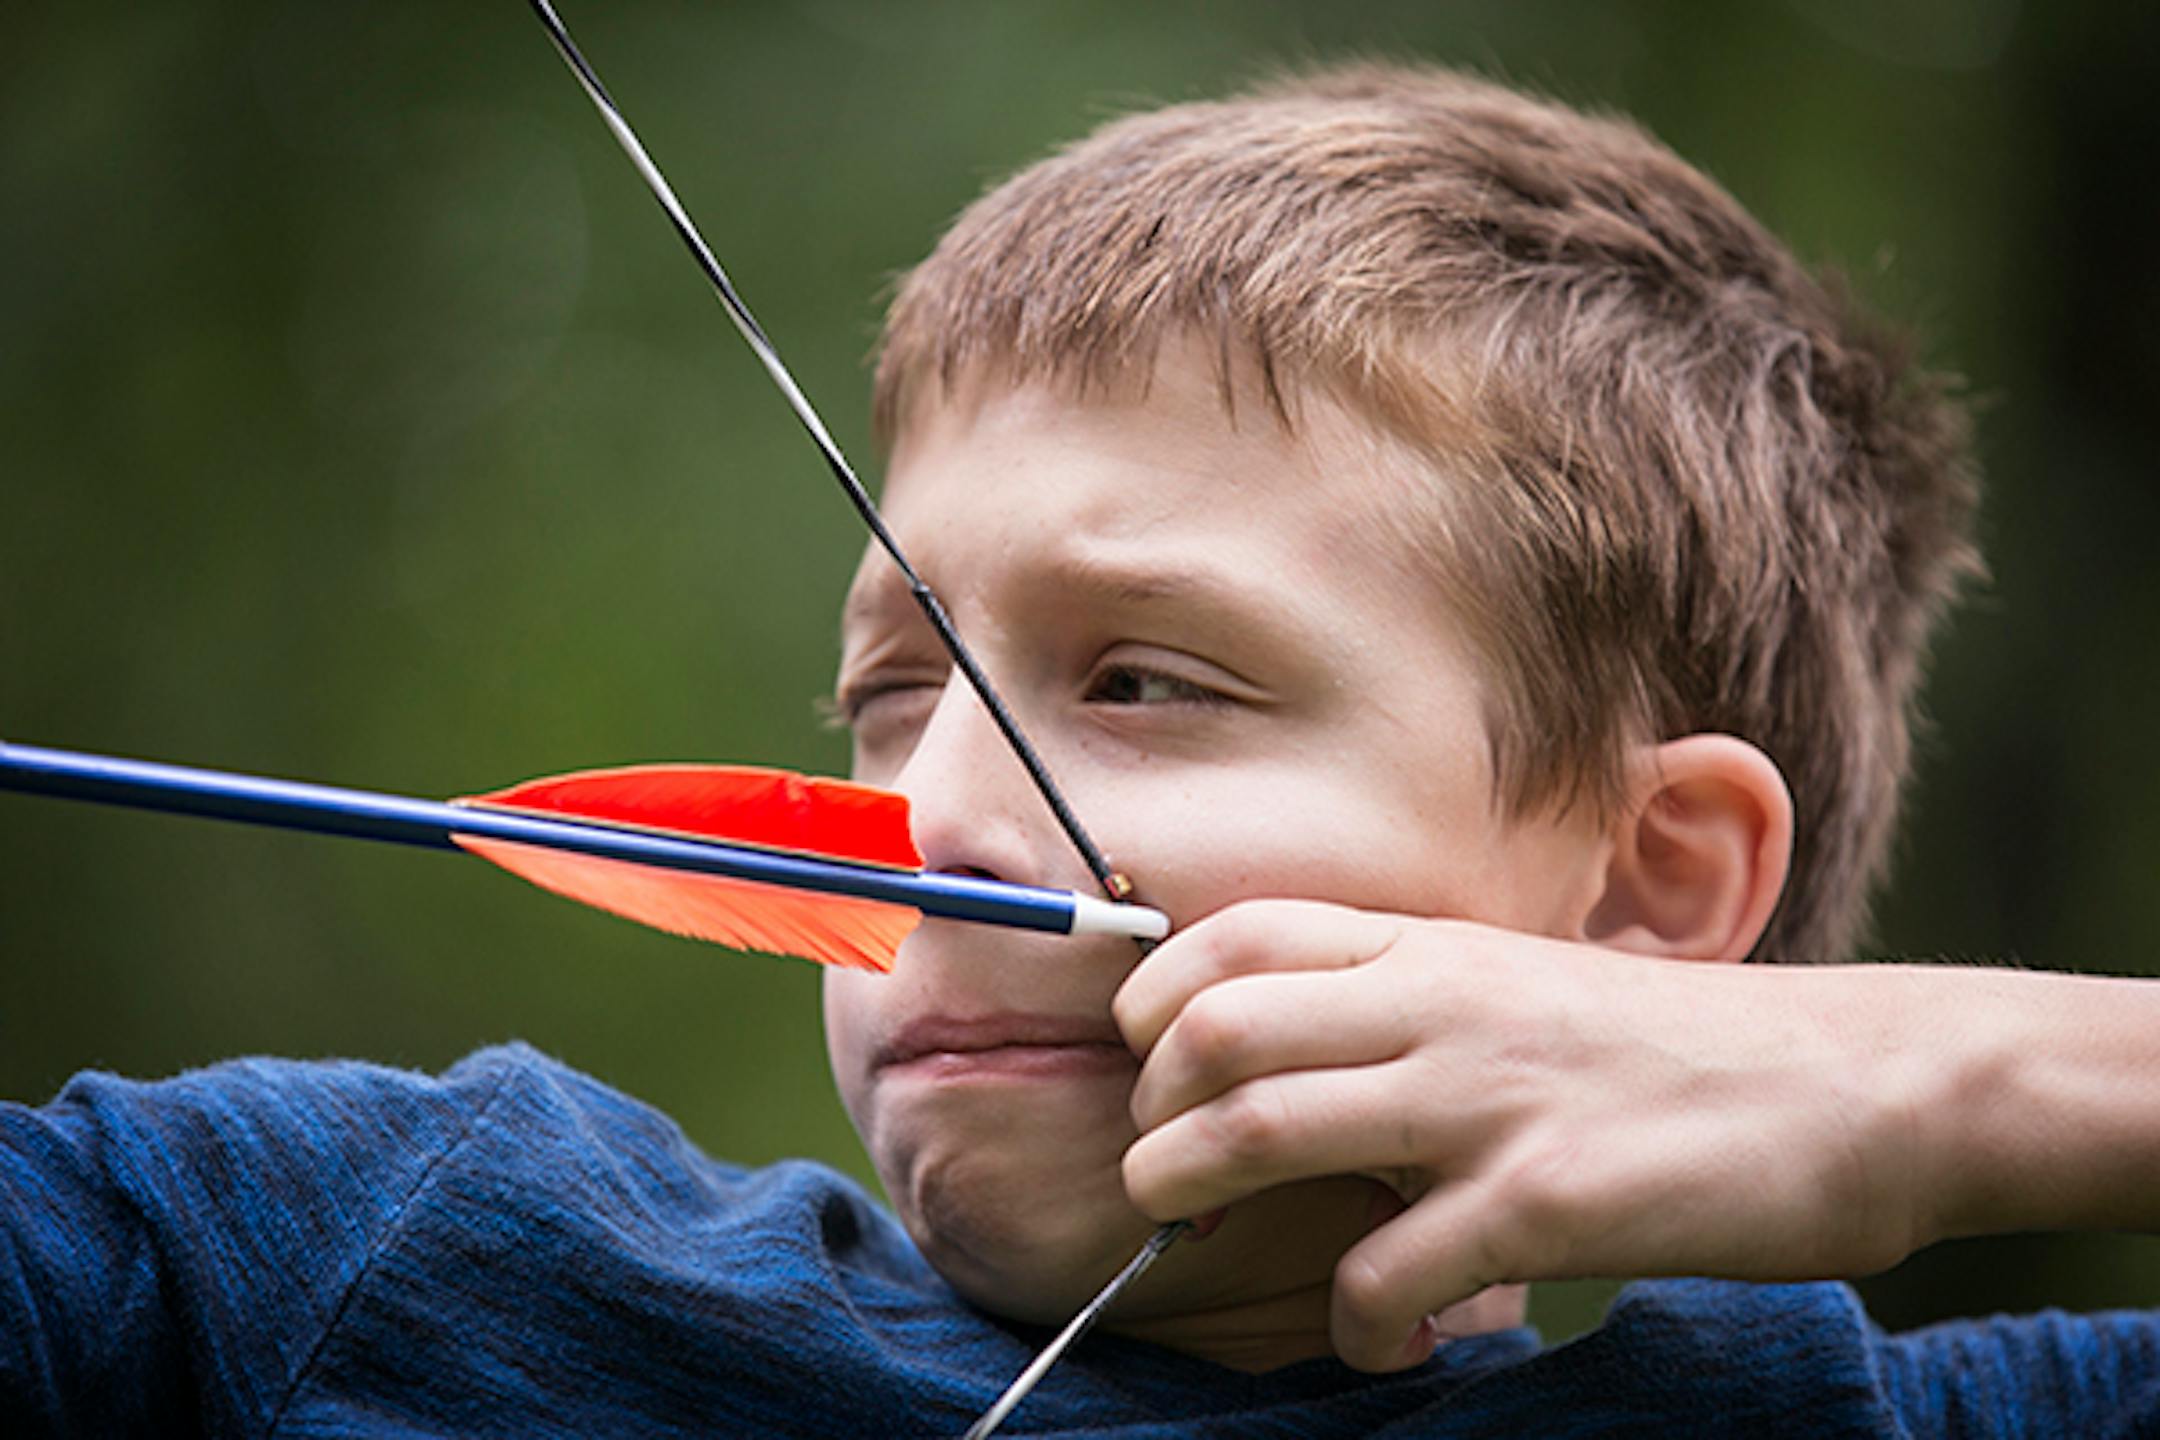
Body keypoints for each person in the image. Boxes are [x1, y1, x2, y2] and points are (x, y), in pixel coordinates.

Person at [5, 63, 2157, 1438]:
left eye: (1145, 680)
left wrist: (1933, 1085)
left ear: (1653, 886)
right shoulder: (381, 1255)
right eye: (893, 693)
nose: (920, 820)